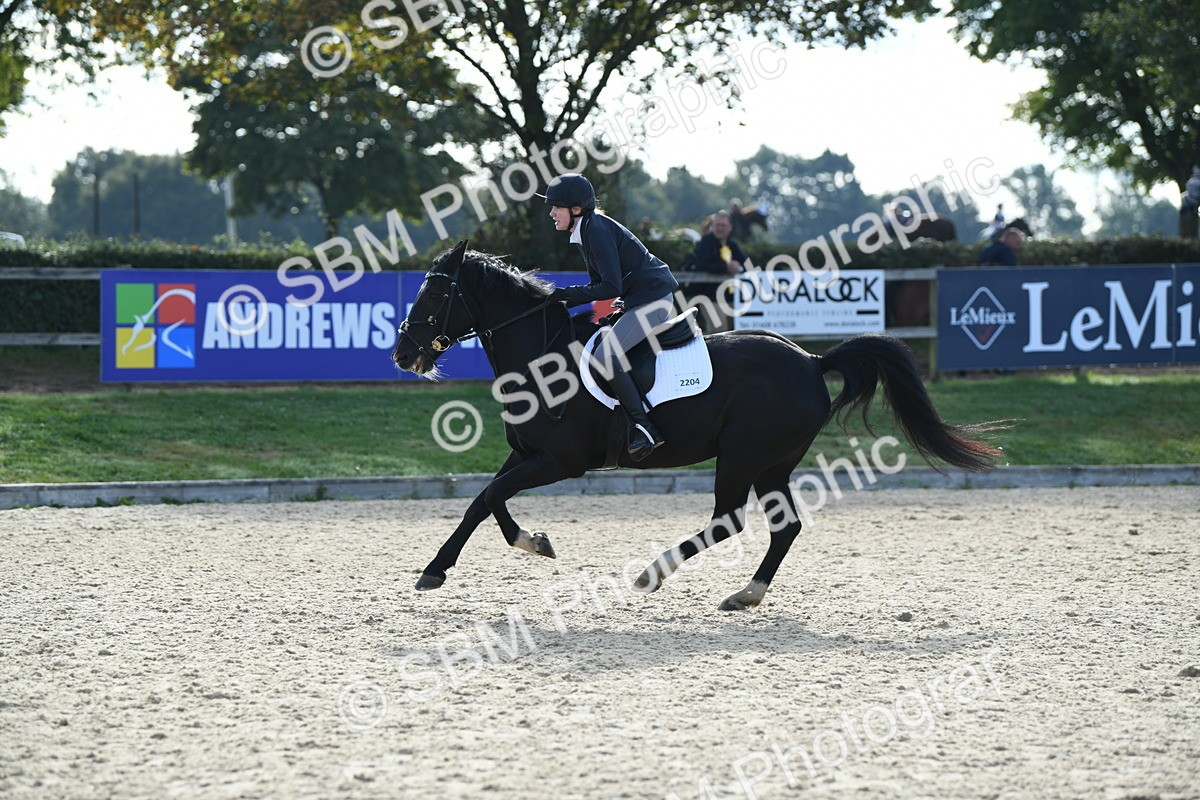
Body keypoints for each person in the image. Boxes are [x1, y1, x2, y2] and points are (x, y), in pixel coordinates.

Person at [540, 173, 679, 461]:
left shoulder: (595, 230)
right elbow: (602, 286)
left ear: (575, 209)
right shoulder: (586, 229)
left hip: (652, 300)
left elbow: (609, 286)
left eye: (556, 206)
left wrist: (564, 294)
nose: (551, 212)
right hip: (640, 298)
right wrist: (563, 300)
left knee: (605, 356)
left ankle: (644, 426)